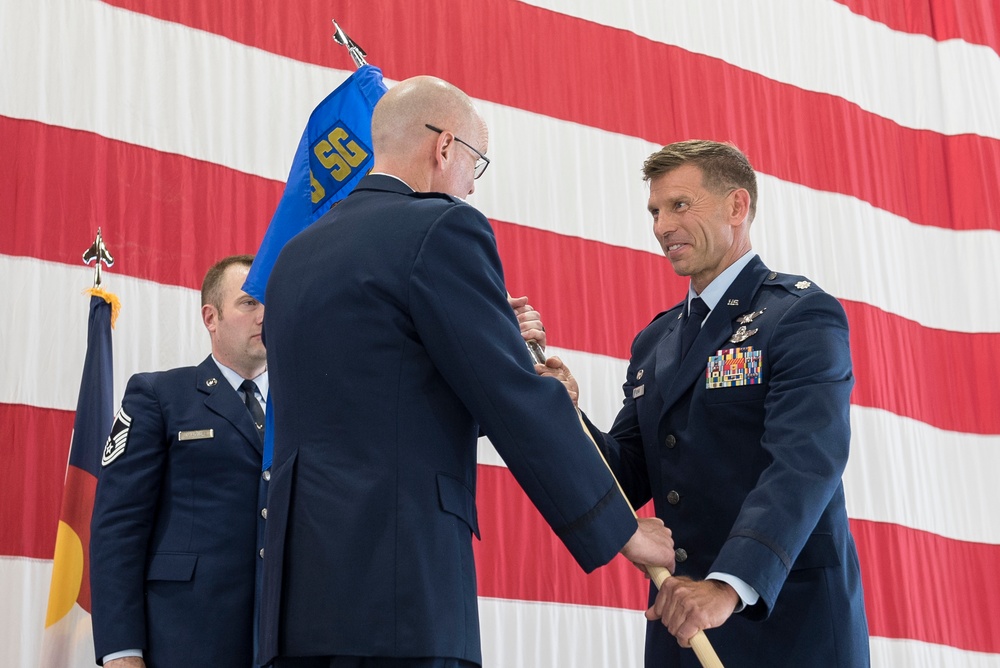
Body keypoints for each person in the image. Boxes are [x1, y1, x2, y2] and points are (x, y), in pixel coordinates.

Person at [258, 75, 677, 668]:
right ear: (444, 146)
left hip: (298, 598)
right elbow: (512, 400)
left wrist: (472, 337)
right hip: (399, 587)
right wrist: (622, 528)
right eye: (476, 162)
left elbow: (378, 397)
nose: (472, 187)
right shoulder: (440, 229)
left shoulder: (294, 256)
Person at [549, 140, 870, 666]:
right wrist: (563, 413)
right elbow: (627, 475)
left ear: (737, 207)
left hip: (785, 624)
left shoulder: (801, 315)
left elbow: (804, 464)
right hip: (683, 630)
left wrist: (726, 587)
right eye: (655, 210)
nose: (660, 226)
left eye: (679, 205)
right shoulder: (655, 342)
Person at [90, 255, 270, 668]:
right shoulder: (160, 395)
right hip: (186, 639)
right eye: (249, 303)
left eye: (269, 303)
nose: (264, 316)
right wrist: (122, 651)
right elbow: (118, 528)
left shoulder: (300, 406)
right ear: (211, 316)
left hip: (281, 641)